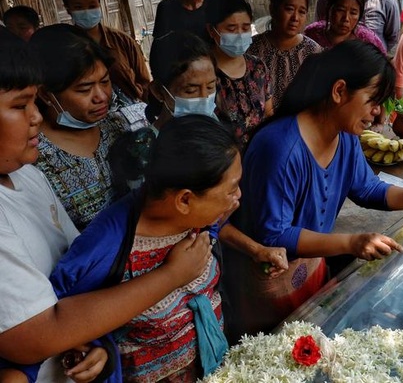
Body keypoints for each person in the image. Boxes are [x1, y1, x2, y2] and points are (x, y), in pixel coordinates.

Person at [225, 40, 403, 341]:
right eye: (372, 101)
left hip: (309, 267)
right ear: (339, 91)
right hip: (268, 282)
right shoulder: (279, 148)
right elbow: (275, 234)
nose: (377, 114)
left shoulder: (344, 135)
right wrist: (352, 242)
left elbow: (368, 189)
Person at [0, 33, 210, 383]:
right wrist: (172, 275)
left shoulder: (25, 177)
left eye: (34, 102)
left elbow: (78, 272)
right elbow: (36, 334)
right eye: (20, 106)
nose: (36, 117)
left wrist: (88, 341)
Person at [5, 116, 239, 382]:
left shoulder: (197, 220)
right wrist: (96, 347)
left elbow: (210, 234)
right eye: (231, 190)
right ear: (184, 199)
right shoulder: (105, 249)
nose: (238, 198)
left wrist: (215, 224)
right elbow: (56, 318)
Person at [117, 30, 288, 276]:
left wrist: (255, 249)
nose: (204, 98)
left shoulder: (215, 135)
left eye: (210, 88)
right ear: (158, 91)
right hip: (155, 275)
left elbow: (213, 221)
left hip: (206, 266)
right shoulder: (143, 150)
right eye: (191, 90)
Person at [31, 24, 147, 230]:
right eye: (84, 89)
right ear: (46, 94)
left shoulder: (120, 126)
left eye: (105, 81)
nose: (101, 97)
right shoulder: (33, 157)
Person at [61, 0, 150, 105]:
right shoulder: (64, 47)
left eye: (92, 5)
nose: (87, 12)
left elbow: (144, 83)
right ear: (68, 9)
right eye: (79, 7)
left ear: (99, 4)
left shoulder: (123, 41)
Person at [205, 0, 273, 145]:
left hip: (260, 155)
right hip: (226, 163)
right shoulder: (204, 74)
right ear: (211, 30)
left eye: (245, 27)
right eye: (231, 29)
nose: (240, 34)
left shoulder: (258, 67)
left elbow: (269, 114)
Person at [248, 0, 322, 109]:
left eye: (302, 12)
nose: (295, 18)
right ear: (273, 9)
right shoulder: (253, 48)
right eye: (289, 9)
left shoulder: (313, 51)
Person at [303, 0, 386, 53]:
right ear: (330, 8)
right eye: (340, 10)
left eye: (353, 13)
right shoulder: (313, 34)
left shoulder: (368, 41)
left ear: (360, 15)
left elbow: (383, 67)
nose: (346, 18)